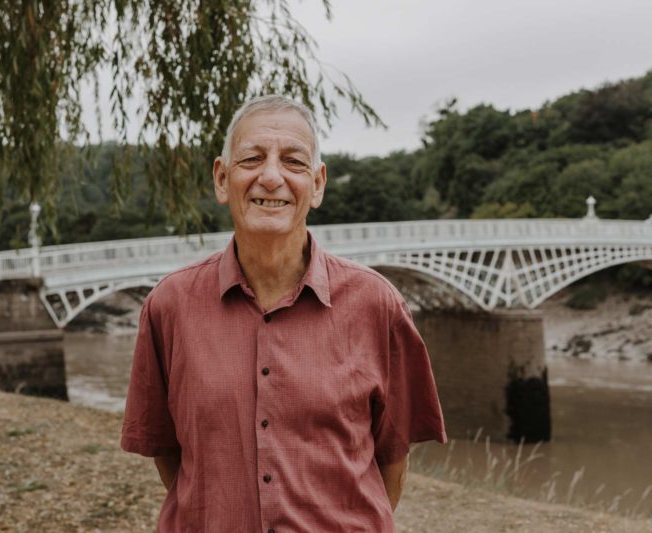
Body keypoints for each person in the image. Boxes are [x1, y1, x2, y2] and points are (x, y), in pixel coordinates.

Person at [121, 95, 446, 532]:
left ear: (317, 184)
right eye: (252, 158)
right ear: (222, 179)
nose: (270, 177)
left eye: (293, 162)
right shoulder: (169, 306)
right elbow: (170, 454)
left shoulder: (377, 305)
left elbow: (392, 458)